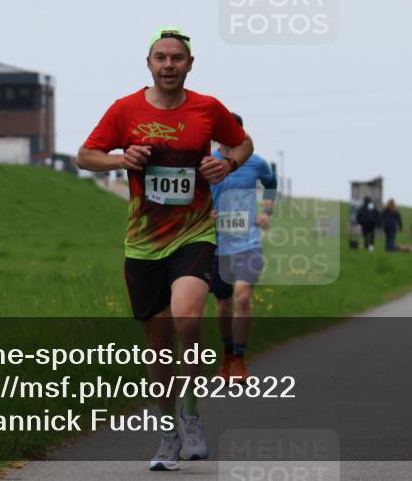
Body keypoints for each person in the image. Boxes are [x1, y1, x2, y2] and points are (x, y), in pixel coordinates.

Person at [77, 28, 254, 471]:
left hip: (194, 233)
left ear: (190, 64)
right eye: (161, 57)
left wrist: (227, 161)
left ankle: (191, 414)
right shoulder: (125, 110)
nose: (169, 64)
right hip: (143, 242)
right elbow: (85, 155)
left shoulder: (208, 108)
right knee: (158, 348)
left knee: (189, 317)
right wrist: (122, 159)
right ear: (150, 64)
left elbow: (244, 143)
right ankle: (167, 432)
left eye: (178, 57)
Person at [209, 112, 277, 383]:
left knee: (243, 297)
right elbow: (193, 196)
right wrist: (205, 214)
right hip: (216, 244)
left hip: (248, 241)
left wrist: (267, 211)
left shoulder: (255, 163)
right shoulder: (207, 164)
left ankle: (239, 358)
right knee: (223, 302)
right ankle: (227, 353)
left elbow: (271, 183)